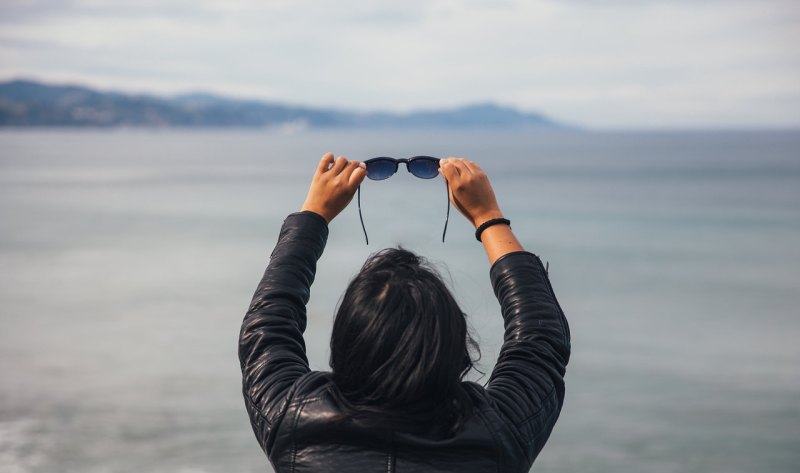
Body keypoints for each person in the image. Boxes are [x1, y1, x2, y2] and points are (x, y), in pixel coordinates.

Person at [239, 153, 571, 472]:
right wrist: (488, 216)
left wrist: (313, 215)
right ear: (456, 346)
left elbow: (267, 325)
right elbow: (539, 338)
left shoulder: (292, 418)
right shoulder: (500, 432)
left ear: (345, 341)